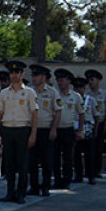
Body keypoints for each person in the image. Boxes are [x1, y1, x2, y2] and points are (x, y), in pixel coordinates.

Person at [0, 60, 37, 203]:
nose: (14, 75)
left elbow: (34, 114)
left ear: (22, 74)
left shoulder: (29, 92)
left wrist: (33, 134)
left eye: (17, 73)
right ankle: (10, 192)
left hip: (22, 129)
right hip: (7, 129)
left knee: (23, 164)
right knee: (9, 164)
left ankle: (21, 193)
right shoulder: (4, 92)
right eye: (11, 73)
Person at [29, 64, 60, 197]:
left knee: (47, 161)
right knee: (32, 161)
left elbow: (58, 112)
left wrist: (53, 129)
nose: (33, 78)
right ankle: (34, 187)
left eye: (36, 75)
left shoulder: (52, 92)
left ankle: (46, 187)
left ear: (43, 77)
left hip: (46, 130)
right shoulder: (29, 91)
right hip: (32, 131)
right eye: (33, 75)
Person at [52, 68, 83, 190]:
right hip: (55, 129)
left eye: (62, 80)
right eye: (58, 80)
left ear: (69, 81)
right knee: (55, 157)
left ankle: (67, 180)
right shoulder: (54, 94)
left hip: (68, 129)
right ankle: (57, 180)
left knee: (68, 157)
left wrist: (80, 130)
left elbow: (81, 114)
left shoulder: (76, 96)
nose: (60, 83)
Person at [85, 69, 106, 184]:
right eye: (89, 80)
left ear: (98, 80)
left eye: (92, 79)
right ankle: (90, 171)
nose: (90, 82)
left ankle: (97, 170)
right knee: (90, 149)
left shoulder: (104, 94)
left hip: (101, 123)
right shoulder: (86, 94)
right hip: (90, 124)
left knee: (99, 148)